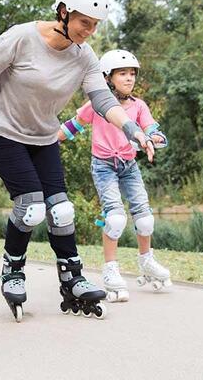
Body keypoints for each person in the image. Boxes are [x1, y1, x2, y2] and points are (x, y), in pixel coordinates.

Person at [0, 0, 155, 322]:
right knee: (31, 207)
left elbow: (102, 98)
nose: (90, 31)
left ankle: (72, 277)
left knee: (62, 210)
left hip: (43, 136)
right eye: (84, 23)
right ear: (63, 12)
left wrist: (131, 128)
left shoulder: (84, 57)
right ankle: (13, 271)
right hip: (1, 131)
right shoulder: (22, 37)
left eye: (95, 26)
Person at [59, 49, 171, 302]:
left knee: (145, 220)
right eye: (123, 73)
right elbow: (72, 126)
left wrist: (153, 138)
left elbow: (155, 131)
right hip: (103, 166)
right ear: (108, 78)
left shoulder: (139, 106)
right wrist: (43, 142)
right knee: (116, 218)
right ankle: (110, 269)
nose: (129, 78)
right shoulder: (98, 104)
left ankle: (146, 261)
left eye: (132, 73)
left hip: (129, 167)